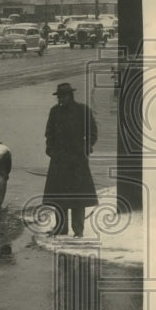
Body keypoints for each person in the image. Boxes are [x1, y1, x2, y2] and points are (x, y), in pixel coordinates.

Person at [43, 82, 98, 236]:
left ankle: (78, 230)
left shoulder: (82, 110)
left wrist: (86, 148)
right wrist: (51, 150)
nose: (61, 99)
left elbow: (92, 132)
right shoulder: (54, 112)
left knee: (78, 197)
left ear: (70, 95)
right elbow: (49, 133)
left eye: (64, 96)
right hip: (59, 160)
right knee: (59, 196)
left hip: (77, 160)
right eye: (59, 97)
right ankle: (61, 228)